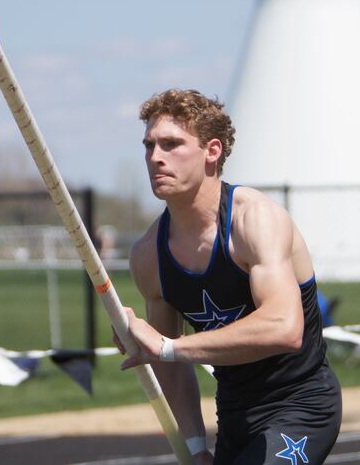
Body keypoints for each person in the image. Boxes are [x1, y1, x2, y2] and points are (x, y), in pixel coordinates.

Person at [115, 89, 342, 464]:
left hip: (301, 405)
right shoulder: (148, 254)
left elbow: (285, 328)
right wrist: (193, 447)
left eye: (172, 144)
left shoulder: (255, 220)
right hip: (235, 415)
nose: (155, 157)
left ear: (212, 151)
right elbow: (168, 367)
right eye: (149, 145)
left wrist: (167, 347)